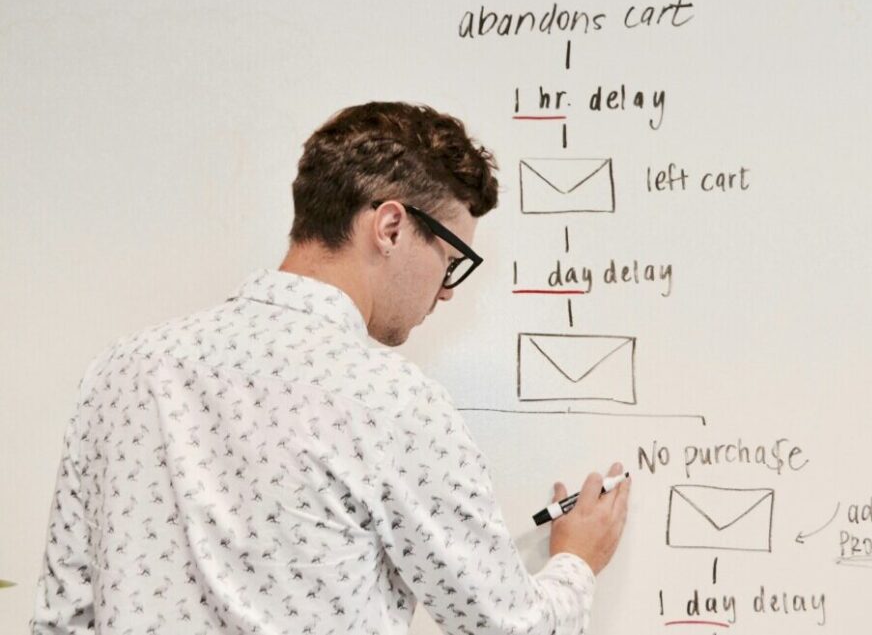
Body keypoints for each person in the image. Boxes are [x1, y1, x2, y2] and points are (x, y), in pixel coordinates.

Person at [31, 102, 630, 635]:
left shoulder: (122, 372)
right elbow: (506, 627)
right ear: (391, 227)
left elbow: (61, 619)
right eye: (450, 260)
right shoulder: (394, 402)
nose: (446, 292)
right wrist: (577, 560)